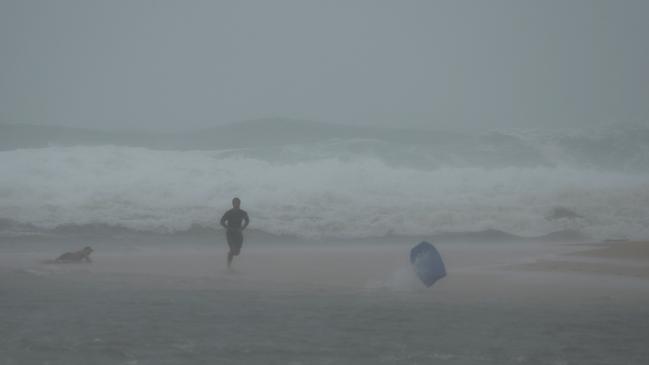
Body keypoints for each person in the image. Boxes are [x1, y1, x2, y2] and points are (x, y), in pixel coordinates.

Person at [220, 197, 249, 268]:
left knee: (237, 252)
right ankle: (228, 266)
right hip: (230, 234)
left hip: (238, 234)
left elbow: (247, 220)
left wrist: (243, 228)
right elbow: (222, 221)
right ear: (232, 204)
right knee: (233, 249)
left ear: (240, 204)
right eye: (235, 203)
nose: (237, 205)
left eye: (238, 203)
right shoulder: (229, 213)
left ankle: (230, 254)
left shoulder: (243, 213)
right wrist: (228, 228)